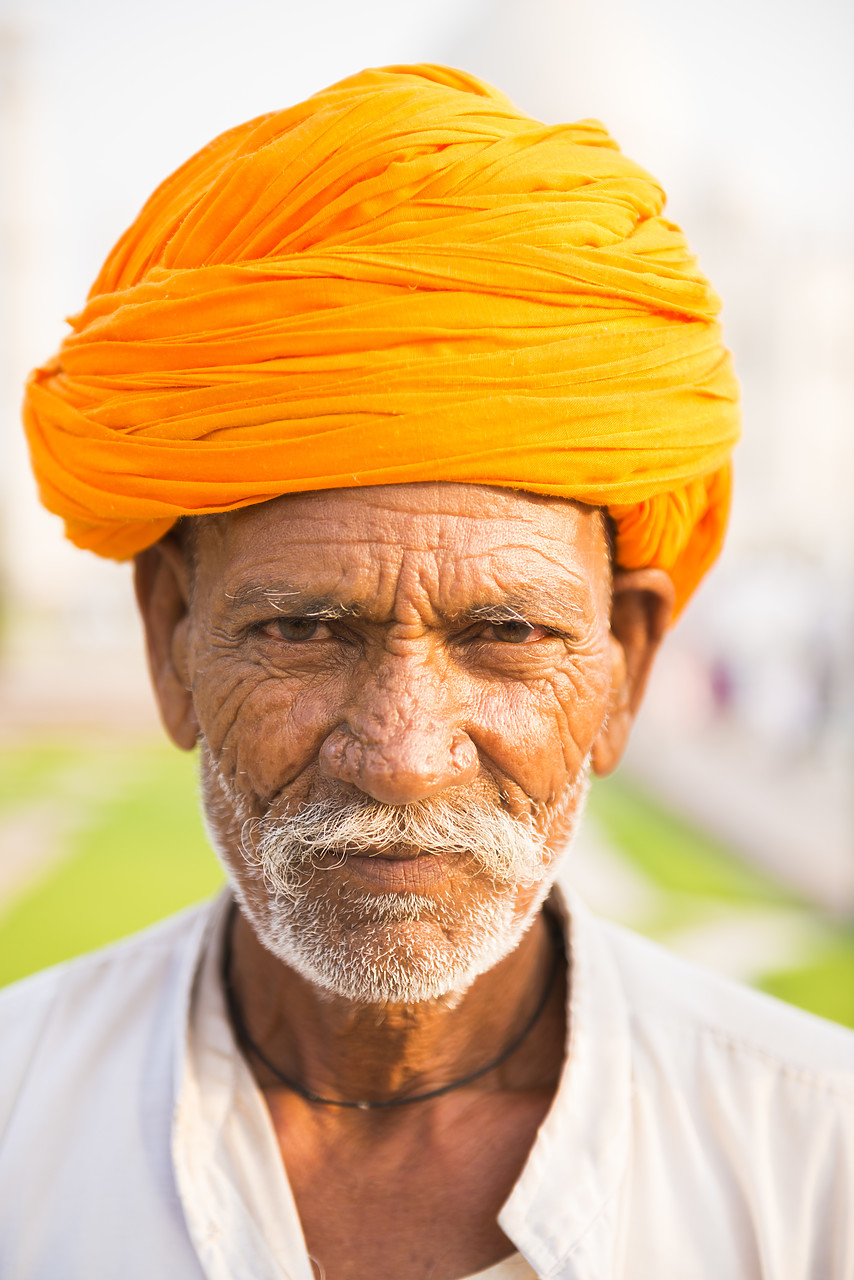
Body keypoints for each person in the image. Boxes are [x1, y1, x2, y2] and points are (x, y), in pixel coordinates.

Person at [3, 65, 852, 1280]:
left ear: (624, 664)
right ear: (171, 640)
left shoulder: (816, 1167)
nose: (401, 750)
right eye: (304, 629)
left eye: (503, 635)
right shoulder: (19, 1135)